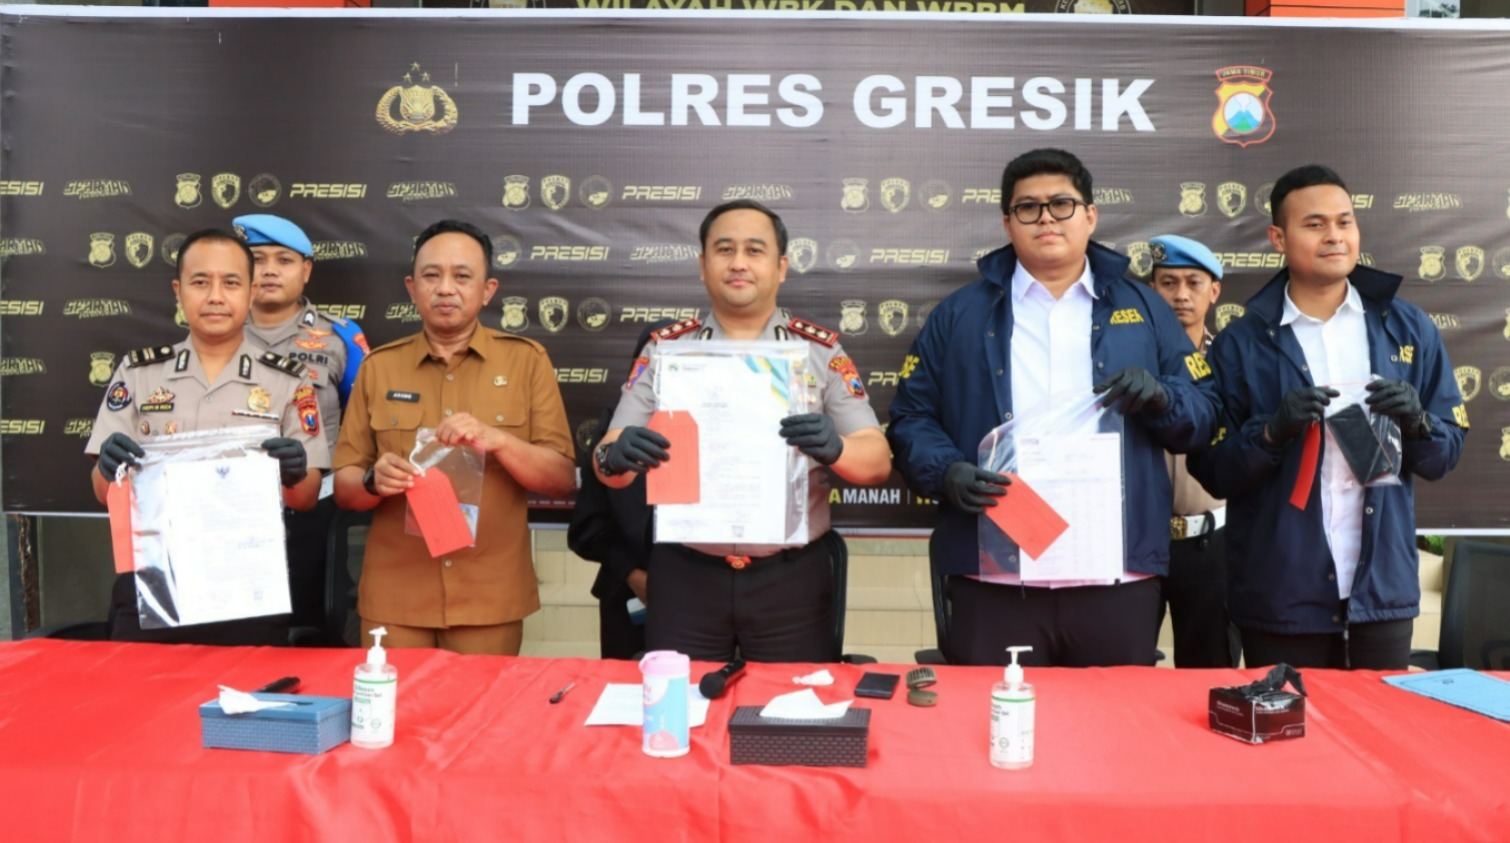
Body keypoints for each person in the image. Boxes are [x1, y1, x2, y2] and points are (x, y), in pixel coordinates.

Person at [888, 148, 1219, 668]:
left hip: (1116, 570)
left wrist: (1162, 398)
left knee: (1109, 717)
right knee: (994, 714)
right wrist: (946, 471)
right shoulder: (959, 314)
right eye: (1028, 208)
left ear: (1090, 215)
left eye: (1061, 204)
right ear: (1007, 223)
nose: (1046, 218)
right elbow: (911, 417)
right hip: (993, 571)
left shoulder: (1146, 308)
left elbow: (1204, 412)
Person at [1188, 165, 1466, 670]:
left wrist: (1418, 424)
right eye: (1315, 224)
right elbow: (1212, 469)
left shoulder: (1409, 328)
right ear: (1278, 238)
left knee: (1376, 721)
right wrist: (1270, 433)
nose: (1334, 236)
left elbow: (1443, 456)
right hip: (1281, 590)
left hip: (1381, 592)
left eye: (1345, 221)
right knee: (1289, 718)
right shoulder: (1241, 342)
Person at [592, 200, 892, 663]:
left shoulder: (819, 352)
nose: (738, 263)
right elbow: (609, 463)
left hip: (790, 579)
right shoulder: (666, 351)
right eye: (724, 249)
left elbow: (877, 462)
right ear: (702, 265)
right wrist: (614, 456)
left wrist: (837, 448)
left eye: (754, 250)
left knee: (791, 702)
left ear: (781, 267)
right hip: (685, 573)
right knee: (681, 700)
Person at [332, 219, 575, 656]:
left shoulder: (527, 362)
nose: (445, 289)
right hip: (397, 596)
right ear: (411, 288)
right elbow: (345, 487)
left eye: (462, 276)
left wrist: (499, 440)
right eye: (431, 275)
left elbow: (560, 479)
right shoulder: (379, 367)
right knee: (394, 703)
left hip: (489, 595)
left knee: (482, 704)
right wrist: (372, 481)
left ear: (488, 290)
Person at [84, 228, 328, 645]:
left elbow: (305, 498)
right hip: (153, 583)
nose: (215, 296)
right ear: (178, 291)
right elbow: (102, 491)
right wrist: (108, 469)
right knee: (141, 687)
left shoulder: (288, 381)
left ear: (251, 291)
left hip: (247, 587)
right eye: (200, 282)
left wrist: (293, 474)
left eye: (230, 283)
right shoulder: (139, 374)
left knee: (245, 688)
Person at [236, 213, 369, 642]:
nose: (269, 270)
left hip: (318, 514)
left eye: (284, 260)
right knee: (234, 634)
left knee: (315, 634)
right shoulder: (215, 332)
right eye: (257, 260)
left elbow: (364, 425)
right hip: (233, 509)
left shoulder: (341, 338)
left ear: (306, 270)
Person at [1146, 234, 1237, 668]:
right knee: (1122, 671)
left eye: (1193, 283)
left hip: (1211, 544)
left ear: (1214, 291)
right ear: (1152, 290)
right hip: (1136, 541)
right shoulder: (1129, 362)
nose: (1180, 295)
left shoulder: (1232, 364)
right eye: (1168, 283)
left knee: (1209, 673)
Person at [567, 322, 672, 660]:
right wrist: (632, 574)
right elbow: (588, 526)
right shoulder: (612, 433)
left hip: (707, 599)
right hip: (628, 600)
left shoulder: (719, 428)